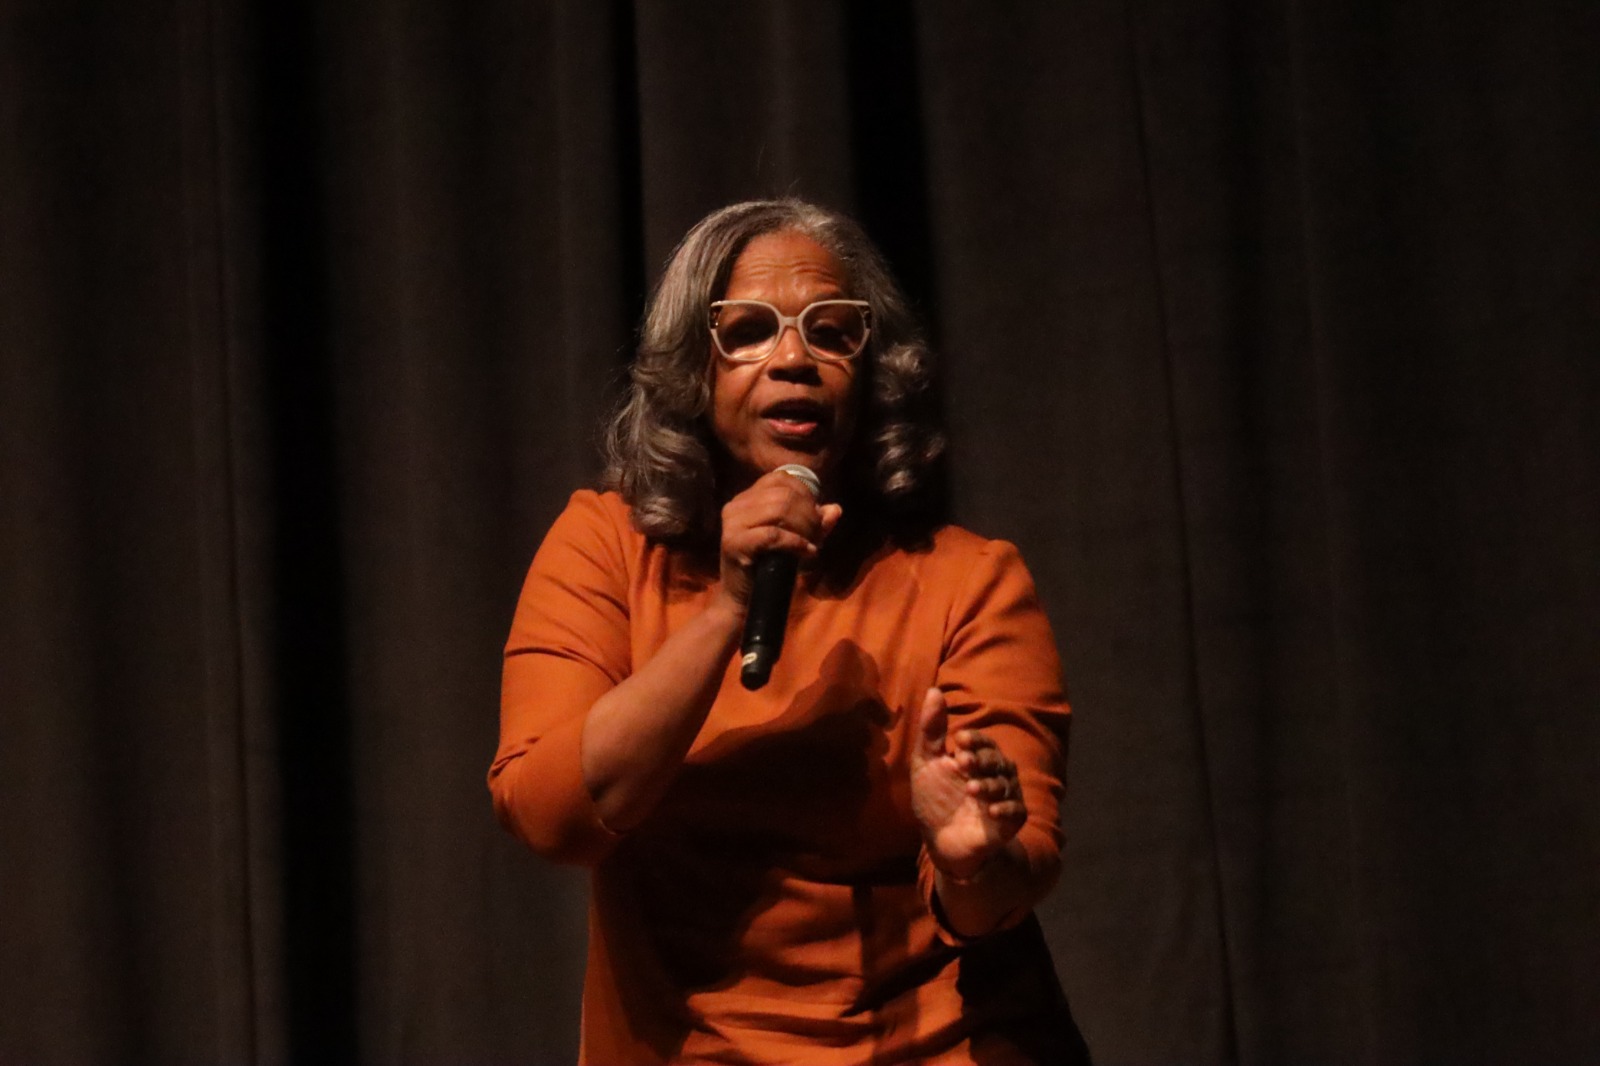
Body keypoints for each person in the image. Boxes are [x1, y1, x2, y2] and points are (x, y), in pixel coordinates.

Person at [491, 199, 1088, 1064]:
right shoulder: (605, 550)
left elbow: (1011, 879)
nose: (796, 360)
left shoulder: (969, 580)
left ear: (874, 367)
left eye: (833, 331)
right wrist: (727, 611)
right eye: (752, 330)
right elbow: (550, 817)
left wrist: (968, 860)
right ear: (694, 368)